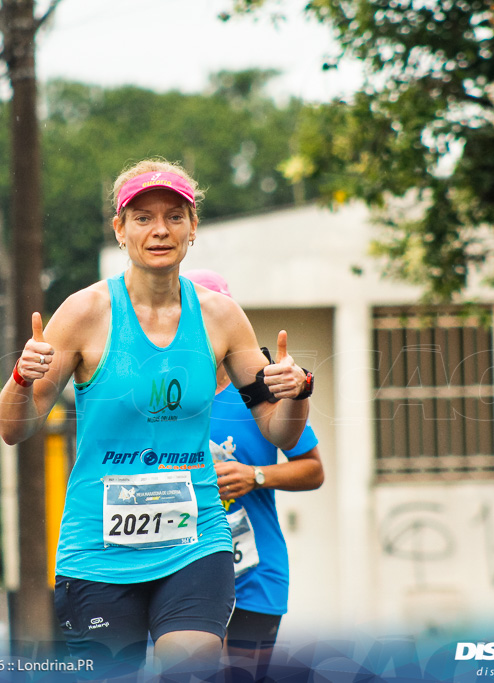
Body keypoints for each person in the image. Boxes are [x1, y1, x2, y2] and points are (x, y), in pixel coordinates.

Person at [0, 159, 313, 681]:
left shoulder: (221, 316)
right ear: (120, 229)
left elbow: (280, 431)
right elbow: (15, 428)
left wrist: (297, 392)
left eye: (174, 216)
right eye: (142, 217)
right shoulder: (84, 313)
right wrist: (20, 379)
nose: (160, 229)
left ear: (193, 228)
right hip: (98, 547)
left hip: (195, 542)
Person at [185, 269, 323, 683]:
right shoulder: (166, 396)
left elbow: (313, 470)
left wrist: (255, 476)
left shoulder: (259, 392)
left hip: (255, 572)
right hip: (181, 567)